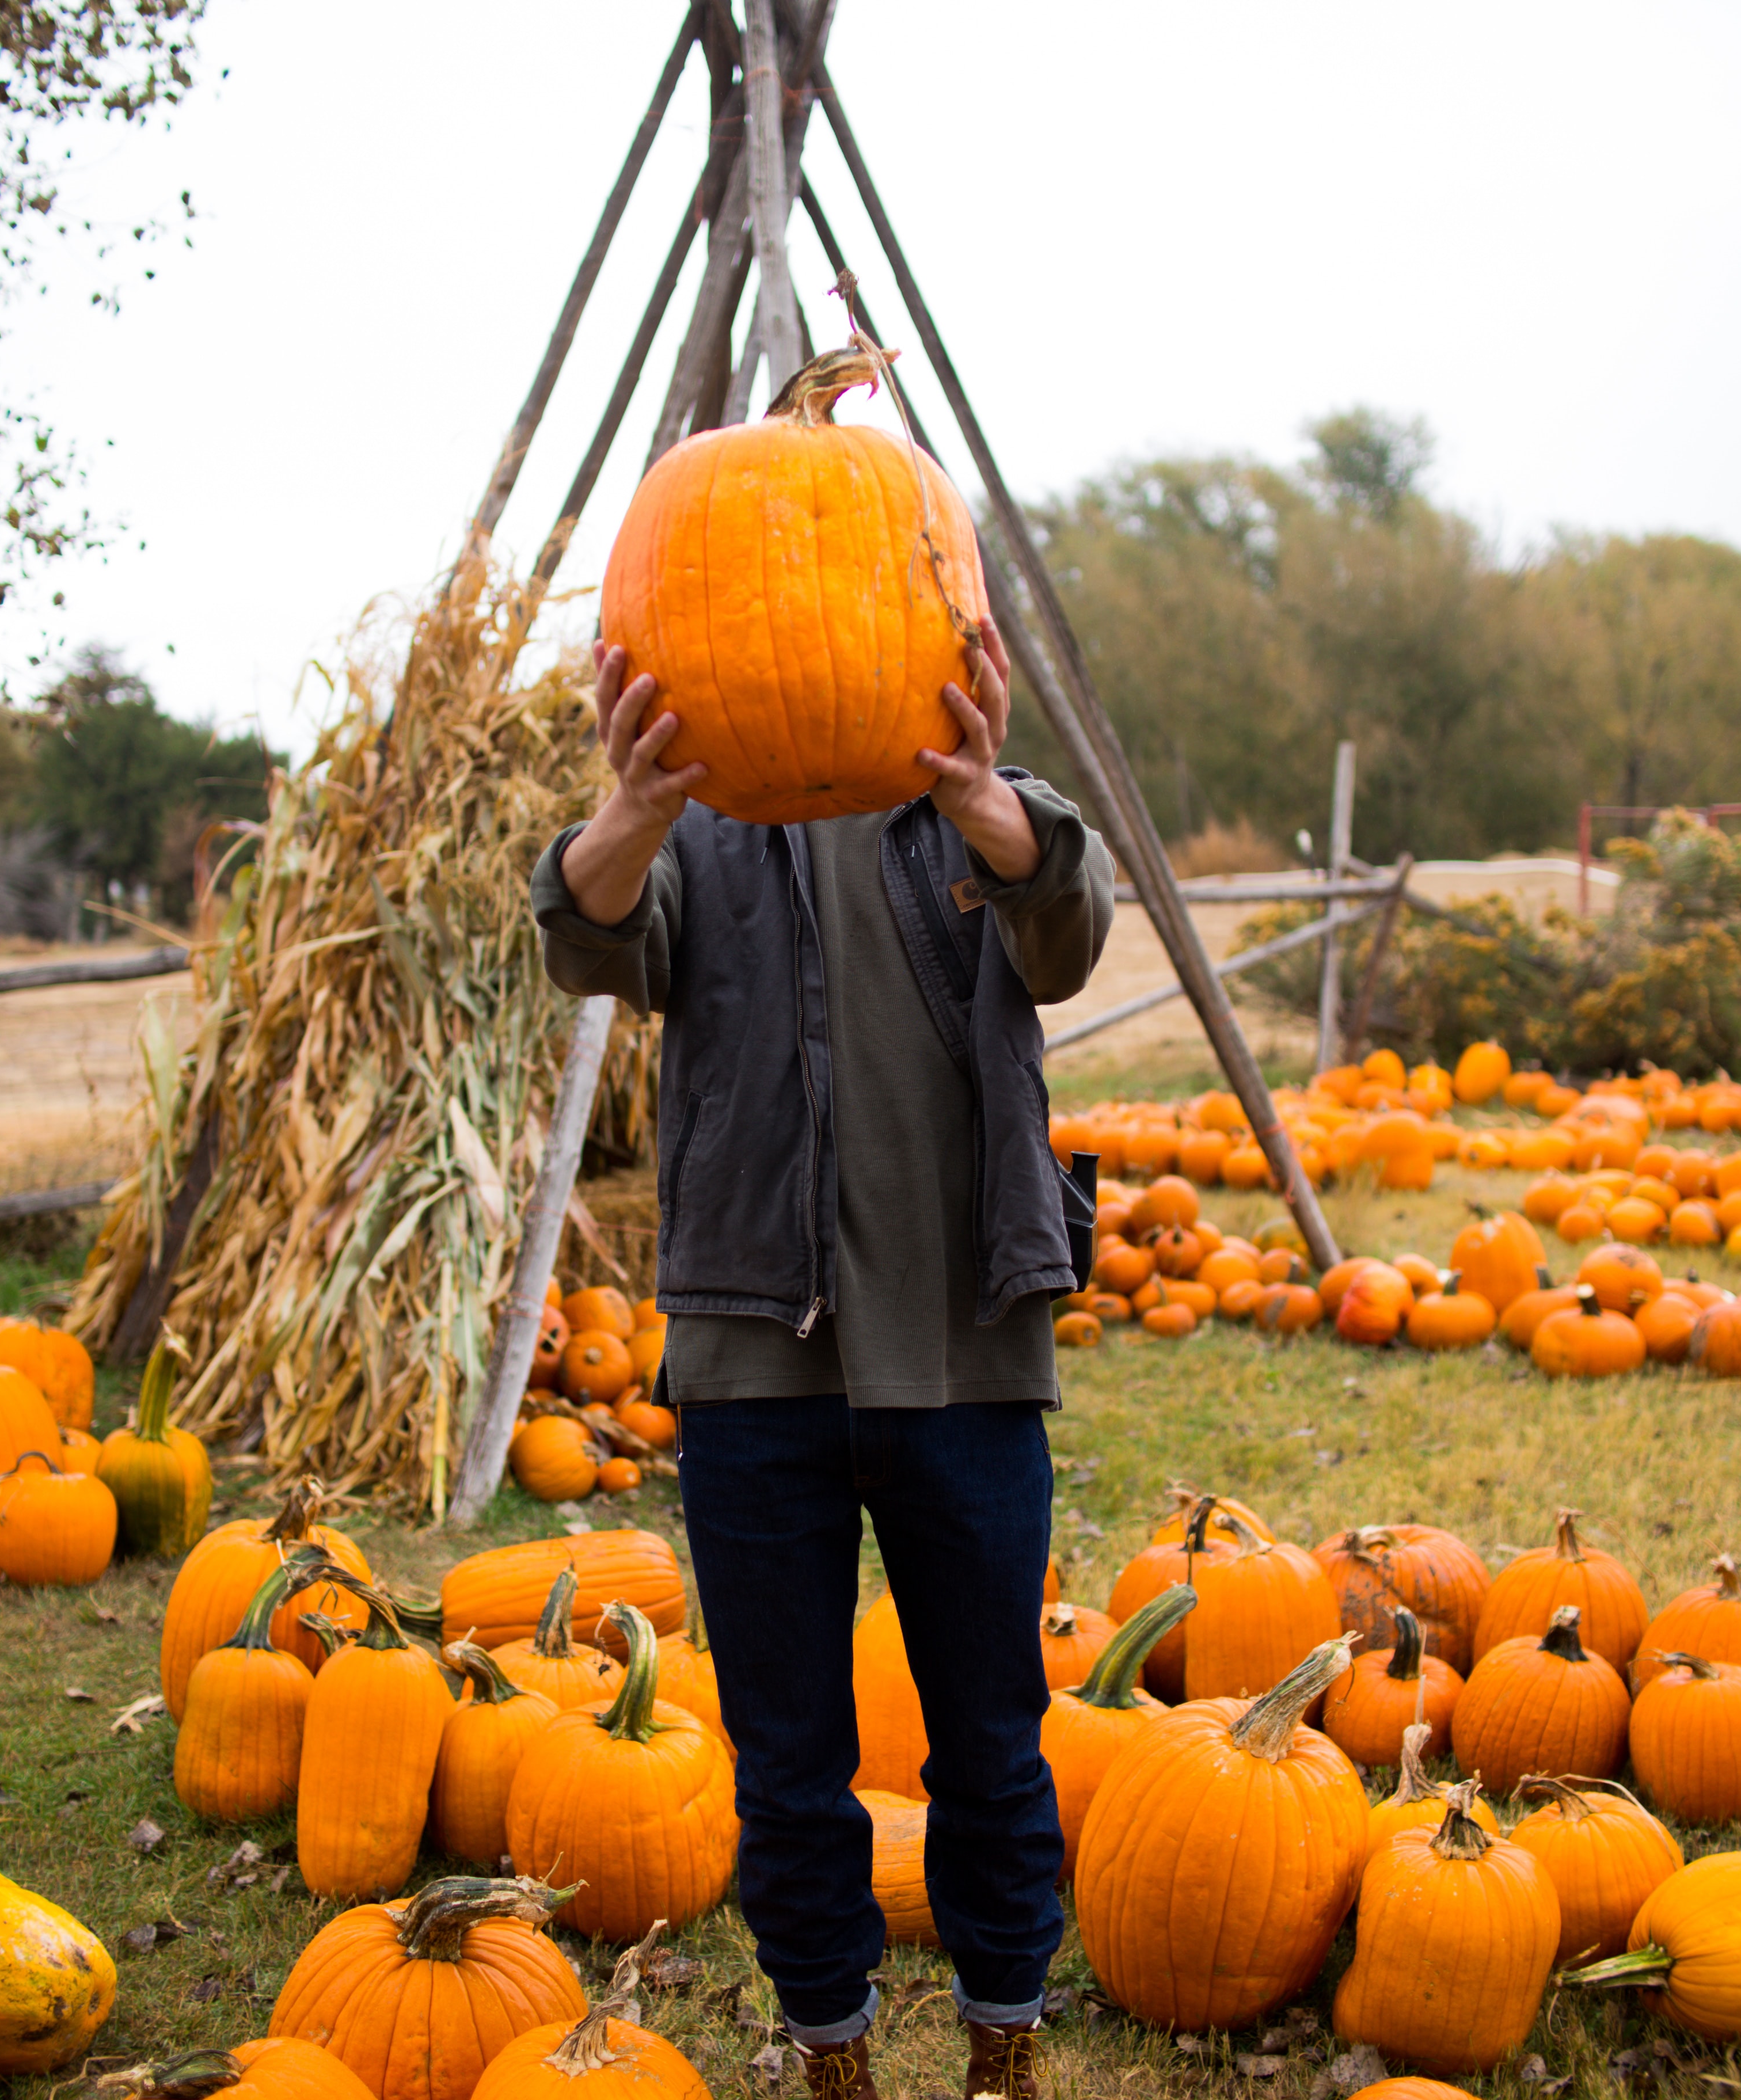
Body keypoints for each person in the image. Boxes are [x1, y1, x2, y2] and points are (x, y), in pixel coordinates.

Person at [533, 616, 1113, 2100]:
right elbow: (586, 938)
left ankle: (1004, 2046)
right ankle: (831, 2055)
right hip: (754, 1364)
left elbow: (1067, 933)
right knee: (789, 1764)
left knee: (990, 1743)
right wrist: (635, 805)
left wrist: (979, 795)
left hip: (964, 1355)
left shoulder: (983, 805)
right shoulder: (706, 821)